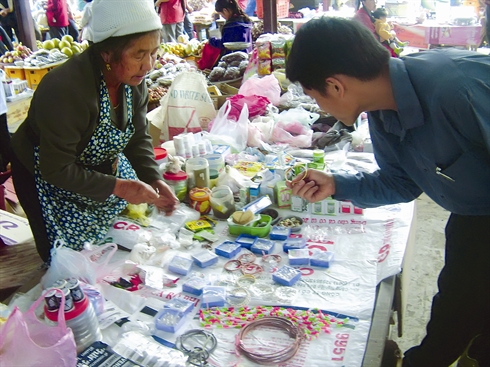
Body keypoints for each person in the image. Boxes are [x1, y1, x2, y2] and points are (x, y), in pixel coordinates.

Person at [286, 16, 490, 367]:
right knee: (453, 314)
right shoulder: (382, 111)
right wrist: (336, 185)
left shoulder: (456, 88)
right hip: (475, 212)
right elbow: (402, 182)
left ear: (335, 86)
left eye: (313, 96)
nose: (320, 108)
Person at [10, 0, 179, 263]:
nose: (149, 65)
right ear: (107, 53)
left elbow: (137, 136)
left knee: (109, 248)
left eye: (154, 53)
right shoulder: (66, 90)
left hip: (94, 171)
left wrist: (153, 177)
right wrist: (118, 187)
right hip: (48, 175)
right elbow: (56, 169)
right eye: (139, 54)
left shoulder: (133, 82)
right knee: (65, 259)